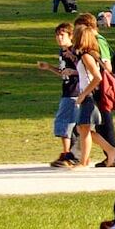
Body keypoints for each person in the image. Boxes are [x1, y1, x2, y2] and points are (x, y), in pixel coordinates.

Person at [71, 12, 115, 164]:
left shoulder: (97, 42)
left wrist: (84, 93)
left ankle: (112, 154)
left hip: (96, 91)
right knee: (84, 127)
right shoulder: (85, 53)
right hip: (92, 90)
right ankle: (110, 153)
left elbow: (105, 68)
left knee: (97, 124)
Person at [38, 22, 81, 167]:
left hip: (74, 91)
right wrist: (49, 67)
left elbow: (85, 70)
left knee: (64, 123)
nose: (59, 38)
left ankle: (67, 154)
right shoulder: (62, 52)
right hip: (67, 89)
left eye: (62, 35)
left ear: (71, 36)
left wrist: (73, 66)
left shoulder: (75, 51)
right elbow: (64, 73)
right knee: (71, 125)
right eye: (57, 35)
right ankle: (72, 153)